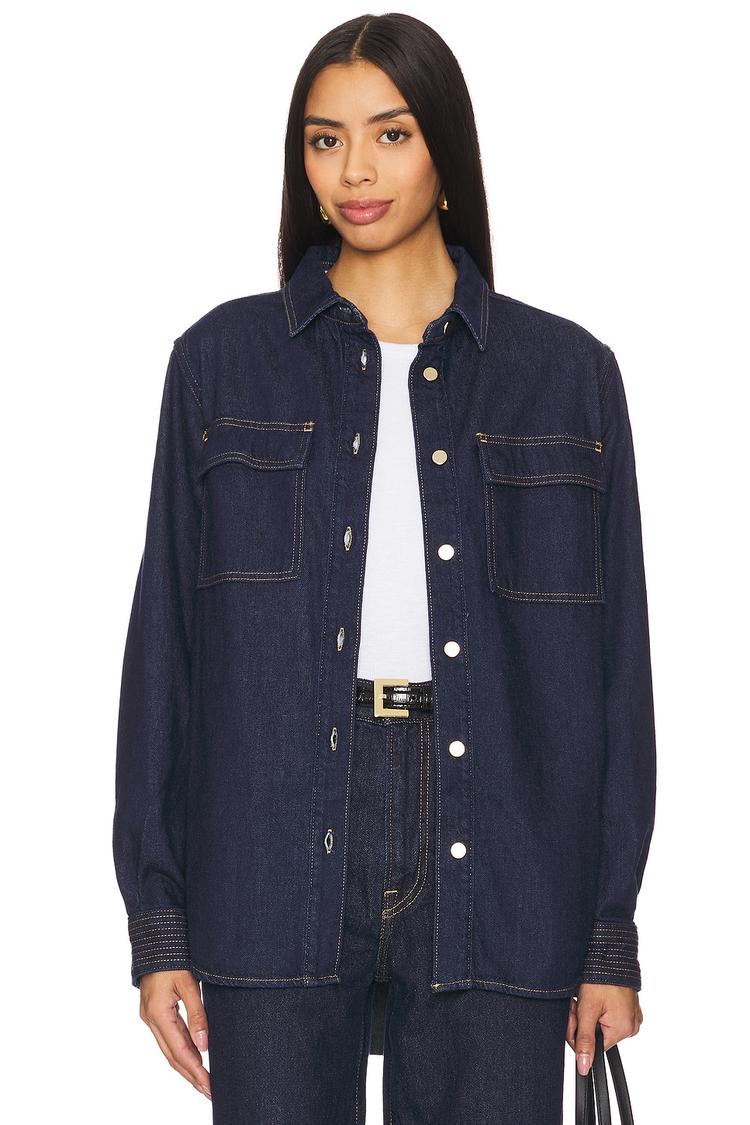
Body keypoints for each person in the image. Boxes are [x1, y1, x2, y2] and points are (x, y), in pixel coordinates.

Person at [112, 12, 657, 1123]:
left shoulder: (568, 376)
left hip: (505, 845)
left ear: (446, 148)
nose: (355, 170)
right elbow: (166, 653)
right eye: (325, 140)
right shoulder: (220, 363)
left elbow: (615, 677)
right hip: (270, 835)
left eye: (391, 134)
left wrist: (609, 932)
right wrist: (158, 923)